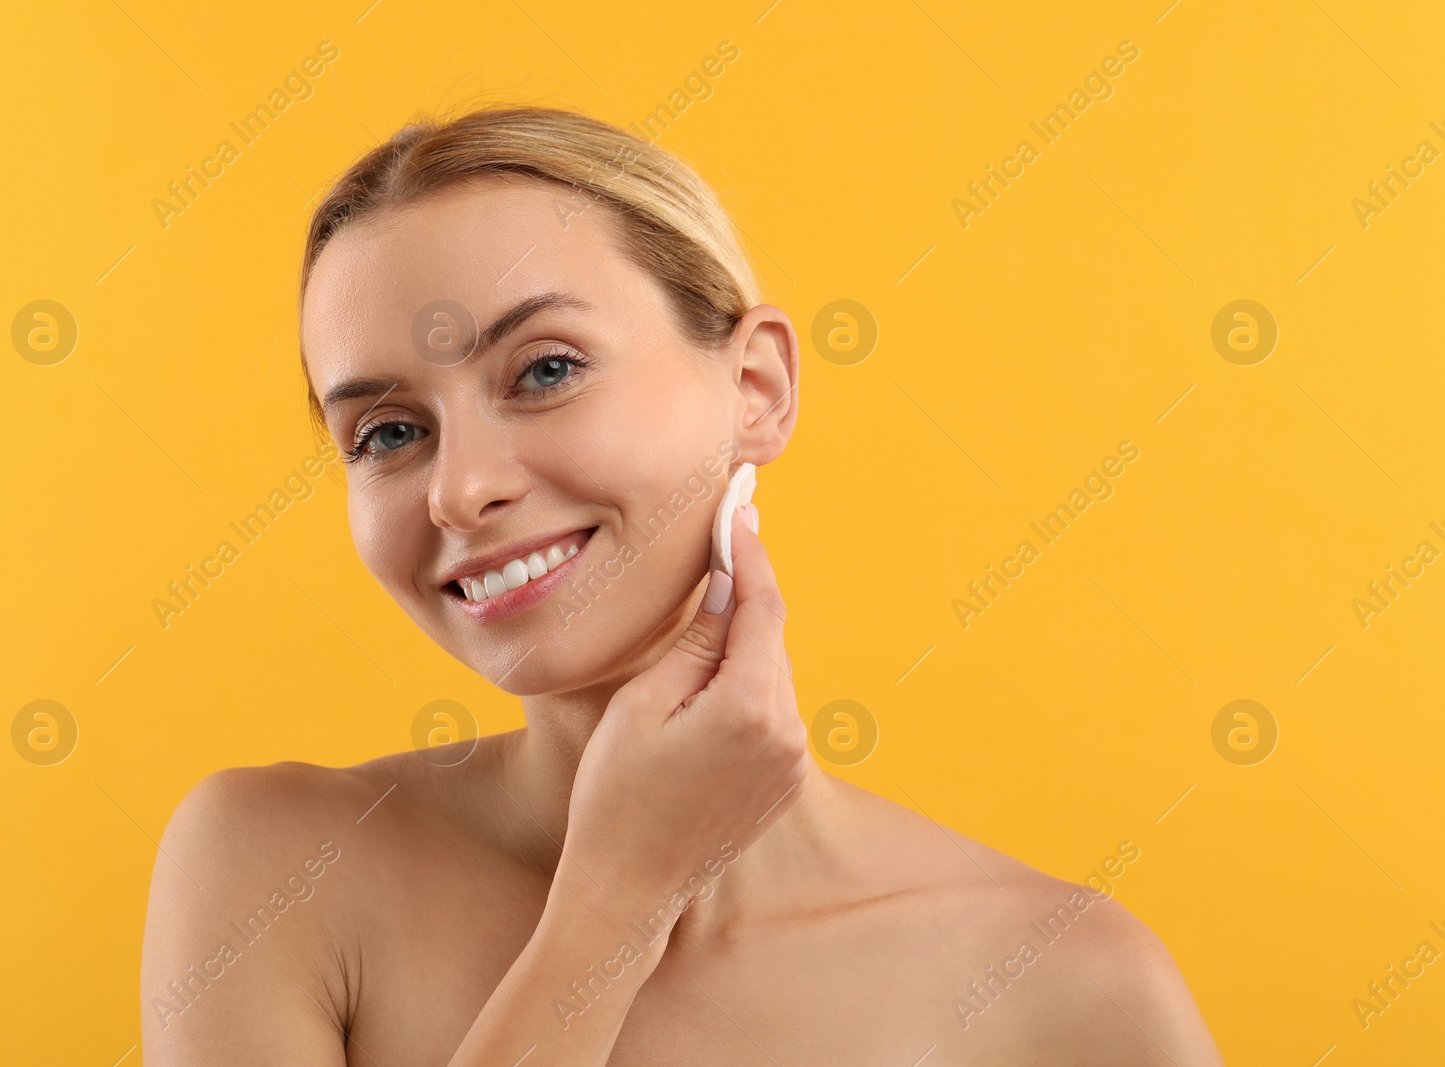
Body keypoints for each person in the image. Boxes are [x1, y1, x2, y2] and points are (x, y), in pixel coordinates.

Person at [141, 104, 1224, 1065]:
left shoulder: (1069, 982)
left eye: (546, 368)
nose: (459, 489)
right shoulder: (272, 872)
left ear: (754, 386)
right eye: (386, 432)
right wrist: (613, 907)